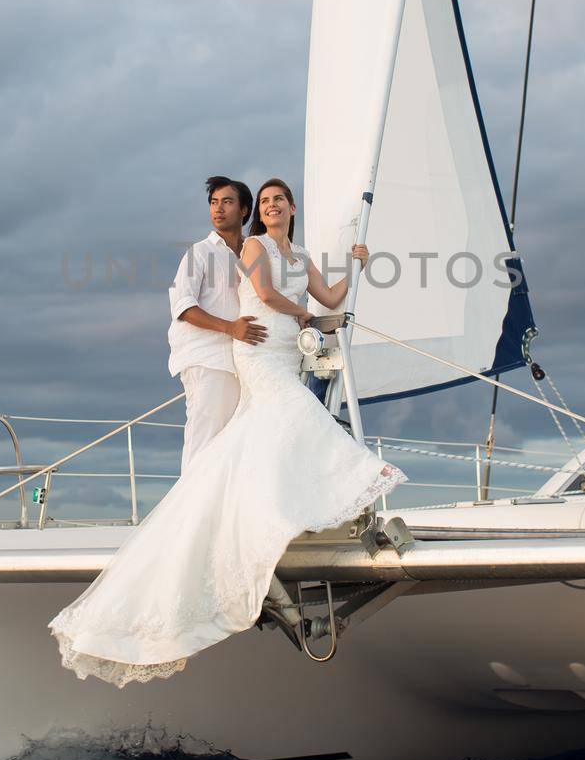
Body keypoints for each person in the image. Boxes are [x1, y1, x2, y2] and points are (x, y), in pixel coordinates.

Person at [50, 178, 405, 686]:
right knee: (277, 420)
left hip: (281, 349)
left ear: (291, 207)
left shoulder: (296, 253)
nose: (268, 206)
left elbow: (329, 296)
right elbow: (257, 295)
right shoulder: (236, 249)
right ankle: (206, 523)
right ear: (255, 213)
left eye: (274, 199)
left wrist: (357, 265)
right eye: (262, 201)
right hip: (245, 350)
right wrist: (301, 315)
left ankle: (256, 510)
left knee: (254, 436)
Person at [167, 176, 267, 471]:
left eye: (227, 202)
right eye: (213, 203)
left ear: (245, 210)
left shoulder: (253, 252)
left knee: (230, 447)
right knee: (203, 442)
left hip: (241, 362)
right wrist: (231, 328)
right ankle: (187, 516)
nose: (218, 209)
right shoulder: (200, 252)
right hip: (207, 359)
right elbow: (183, 306)